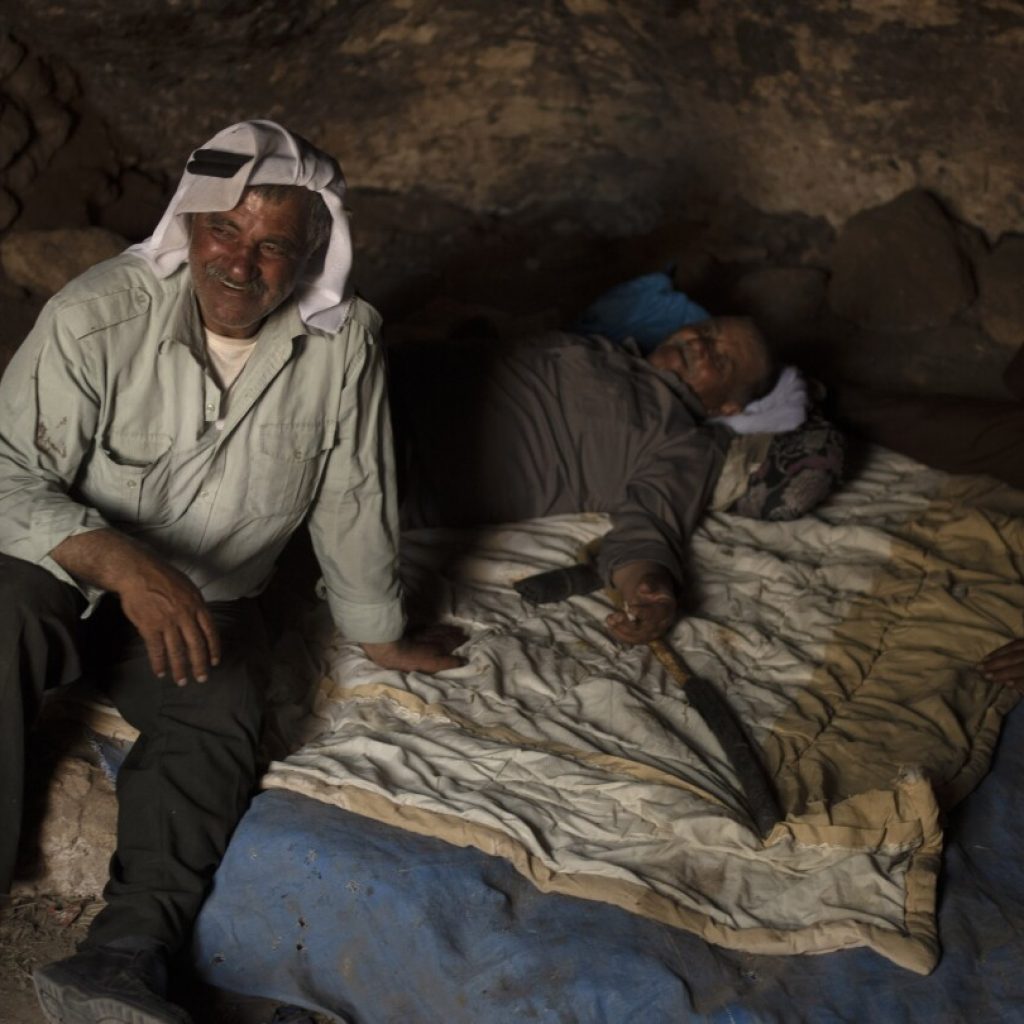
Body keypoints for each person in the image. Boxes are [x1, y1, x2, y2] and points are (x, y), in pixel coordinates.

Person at [0, 121, 458, 1024]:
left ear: (306, 259)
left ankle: (124, 960)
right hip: (65, 569)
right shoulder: (98, 314)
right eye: (225, 231)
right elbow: (5, 468)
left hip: (204, 600)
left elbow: (354, 489)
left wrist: (377, 628)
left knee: (223, 701)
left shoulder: (342, 343)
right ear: (191, 225)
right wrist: (118, 557)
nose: (240, 262)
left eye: (272, 246)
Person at [392, 315, 776, 646]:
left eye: (721, 360)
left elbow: (650, 525)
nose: (700, 345)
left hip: (403, 459)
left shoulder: (683, 438)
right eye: (706, 331)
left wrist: (647, 590)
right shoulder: (610, 351)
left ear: (729, 407)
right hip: (382, 377)